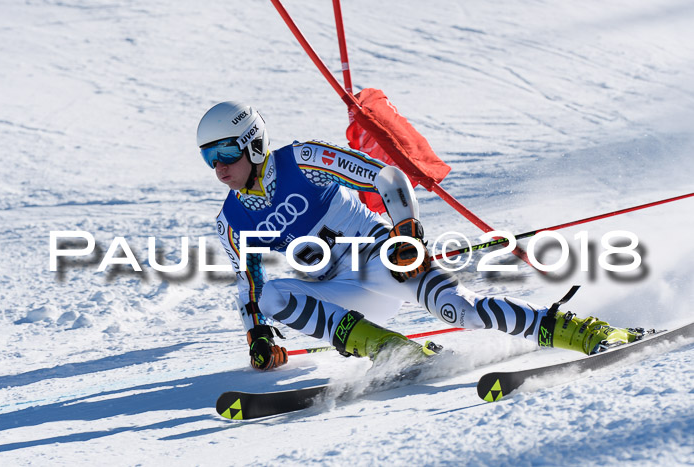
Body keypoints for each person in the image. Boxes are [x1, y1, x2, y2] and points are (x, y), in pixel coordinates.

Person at [197, 101, 643, 371]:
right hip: (340, 290)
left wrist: (406, 232)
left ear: (253, 141)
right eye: (208, 157)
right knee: (272, 296)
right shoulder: (231, 220)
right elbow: (248, 286)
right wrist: (259, 338)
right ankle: (391, 351)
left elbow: (387, 178)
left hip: (381, 258)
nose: (219, 166)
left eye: (226, 151)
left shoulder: (304, 158)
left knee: (460, 309)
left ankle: (585, 331)